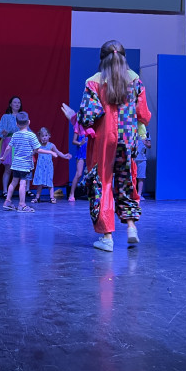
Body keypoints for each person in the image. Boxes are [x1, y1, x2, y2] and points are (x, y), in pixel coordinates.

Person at [61, 39, 151, 252]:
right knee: (126, 181)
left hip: (103, 141)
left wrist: (73, 116)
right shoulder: (135, 81)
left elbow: (88, 117)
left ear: (102, 59)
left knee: (102, 184)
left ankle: (107, 237)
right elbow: (143, 115)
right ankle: (131, 227)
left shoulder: (94, 81)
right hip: (127, 139)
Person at [0, 111, 57, 213]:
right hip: (25, 165)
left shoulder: (15, 135)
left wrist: (3, 157)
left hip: (16, 164)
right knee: (23, 183)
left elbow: (8, 147)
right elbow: (38, 149)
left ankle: (7, 201)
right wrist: (50, 152)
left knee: (13, 182)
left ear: (17, 124)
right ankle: (22, 205)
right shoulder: (31, 136)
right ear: (29, 122)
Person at [30, 127, 72, 203]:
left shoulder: (51, 145)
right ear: (39, 137)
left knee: (49, 182)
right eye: (42, 136)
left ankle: (52, 197)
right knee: (39, 183)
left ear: (49, 136)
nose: (44, 137)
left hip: (48, 167)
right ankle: (37, 197)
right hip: (40, 167)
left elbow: (58, 152)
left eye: (46, 135)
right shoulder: (38, 146)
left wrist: (64, 156)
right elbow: (33, 152)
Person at [0, 96, 22, 196]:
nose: (17, 104)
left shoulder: (22, 116)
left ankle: (22, 191)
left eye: (18, 102)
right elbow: (0, 130)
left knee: (20, 168)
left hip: (19, 143)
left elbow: (27, 129)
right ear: (10, 104)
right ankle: (5, 191)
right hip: (9, 142)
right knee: (8, 169)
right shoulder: (5, 117)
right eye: (15, 102)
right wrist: (4, 133)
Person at [68, 126, 87, 202]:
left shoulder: (93, 124)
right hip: (81, 152)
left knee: (93, 173)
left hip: (90, 151)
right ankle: (71, 193)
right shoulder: (78, 126)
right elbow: (73, 141)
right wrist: (80, 143)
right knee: (79, 174)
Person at [136, 129, 151, 200]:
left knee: (141, 177)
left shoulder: (146, 133)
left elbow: (149, 145)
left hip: (142, 159)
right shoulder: (131, 131)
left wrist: (145, 143)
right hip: (132, 158)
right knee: (131, 177)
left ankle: (139, 194)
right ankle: (131, 194)